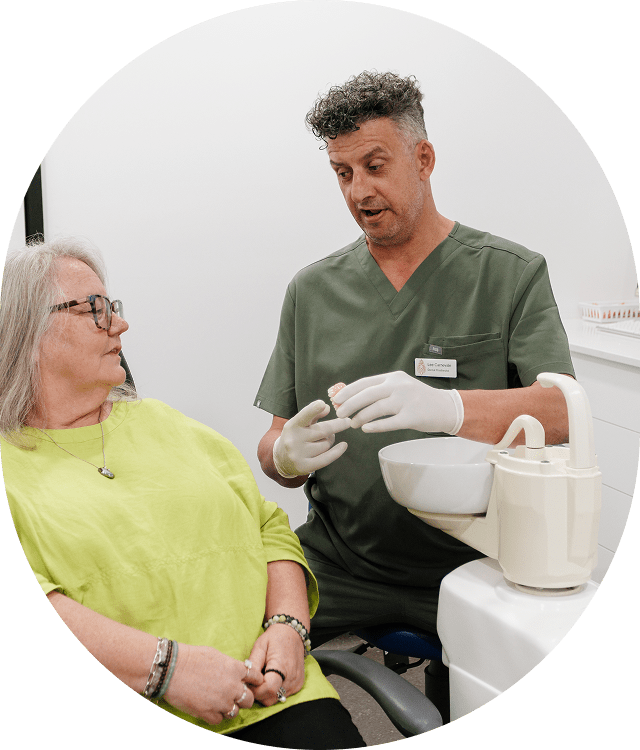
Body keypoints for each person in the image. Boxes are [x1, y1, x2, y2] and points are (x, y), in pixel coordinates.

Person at [0, 238, 365, 749]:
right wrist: (166, 669)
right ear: (27, 329)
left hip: (278, 697)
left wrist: (289, 628)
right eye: (95, 310)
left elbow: (269, 528)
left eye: (113, 307)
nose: (120, 325)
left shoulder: (172, 426)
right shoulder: (11, 466)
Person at [254, 71, 575, 646]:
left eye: (375, 166)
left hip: (477, 559)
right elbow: (274, 448)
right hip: (338, 563)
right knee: (232, 644)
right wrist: (285, 455)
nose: (358, 192)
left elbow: (561, 414)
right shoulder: (313, 291)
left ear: (423, 159)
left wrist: (449, 409)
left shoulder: (509, 275)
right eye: (343, 173)